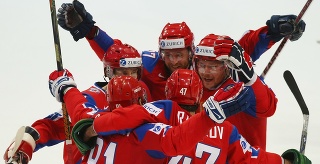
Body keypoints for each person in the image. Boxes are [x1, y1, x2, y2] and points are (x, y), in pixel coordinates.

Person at [68, 69, 312, 164]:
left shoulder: (161, 112)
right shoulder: (225, 130)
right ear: (199, 98)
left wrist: (93, 127)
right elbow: (254, 162)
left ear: (166, 93)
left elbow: (129, 117)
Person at [47, 69, 250, 164]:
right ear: (140, 102)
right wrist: (209, 118)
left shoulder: (91, 118)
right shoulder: (143, 132)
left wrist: (66, 87)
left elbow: (77, 106)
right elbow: (175, 141)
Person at [3, 40, 151, 164]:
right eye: (123, 72)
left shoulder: (142, 96)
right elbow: (53, 125)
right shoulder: (90, 99)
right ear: (109, 72)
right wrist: (28, 142)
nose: (129, 78)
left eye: (133, 73)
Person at [57, 0, 306, 100]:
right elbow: (118, 56)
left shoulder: (205, 64)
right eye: (168, 55)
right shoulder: (150, 64)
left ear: (191, 51)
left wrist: (272, 31)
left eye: (179, 54)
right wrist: (89, 30)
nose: (174, 60)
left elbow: (242, 49)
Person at [193, 33, 278, 164]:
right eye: (202, 65)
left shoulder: (243, 87)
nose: (206, 71)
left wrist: (251, 80)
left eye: (213, 66)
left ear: (226, 67)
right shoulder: (193, 89)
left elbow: (268, 108)